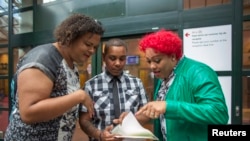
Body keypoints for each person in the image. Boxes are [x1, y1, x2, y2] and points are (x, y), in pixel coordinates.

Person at [4, 13, 105, 141]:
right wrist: (78, 96)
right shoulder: (44, 58)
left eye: (95, 47)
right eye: (88, 44)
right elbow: (28, 112)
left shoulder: (70, 64)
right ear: (70, 37)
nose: (92, 51)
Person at [118, 29, 229, 141]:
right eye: (148, 61)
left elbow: (219, 113)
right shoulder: (164, 77)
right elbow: (166, 117)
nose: (152, 66)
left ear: (173, 57)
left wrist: (168, 106)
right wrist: (137, 118)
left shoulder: (199, 72)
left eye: (157, 60)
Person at [79, 38, 149, 141]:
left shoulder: (137, 83)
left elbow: (146, 114)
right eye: (112, 58)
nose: (117, 63)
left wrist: (131, 119)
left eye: (122, 59)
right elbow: (84, 120)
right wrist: (100, 135)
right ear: (104, 58)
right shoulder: (91, 85)